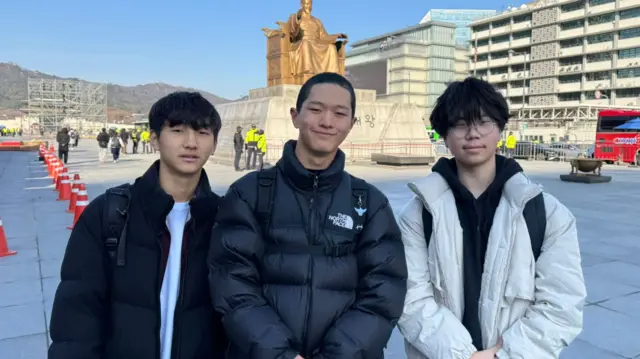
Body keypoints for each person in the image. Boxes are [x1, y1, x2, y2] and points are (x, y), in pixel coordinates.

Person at [209, 72, 408, 359]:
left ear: (351, 125)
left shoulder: (369, 203)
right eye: (316, 109)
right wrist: (280, 354)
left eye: (340, 114)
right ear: (295, 116)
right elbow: (232, 282)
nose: (327, 121)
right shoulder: (248, 193)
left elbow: (384, 292)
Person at [396, 77, 586, 359]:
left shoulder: (546, 213)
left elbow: (562, 303)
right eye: (460, 124)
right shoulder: (418, 213)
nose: (473, 133)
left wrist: (503, 355)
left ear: (499, 128)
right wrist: (462, 355)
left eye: (483, 122)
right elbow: (410, 298)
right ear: (444, 135)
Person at [48, 91, 226, 359]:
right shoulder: (110, 213)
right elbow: (76, 315)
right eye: (177, 130)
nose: (191, 143)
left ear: (214, 143)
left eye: (202, 132)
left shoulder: (224, 218)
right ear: (154, 139)